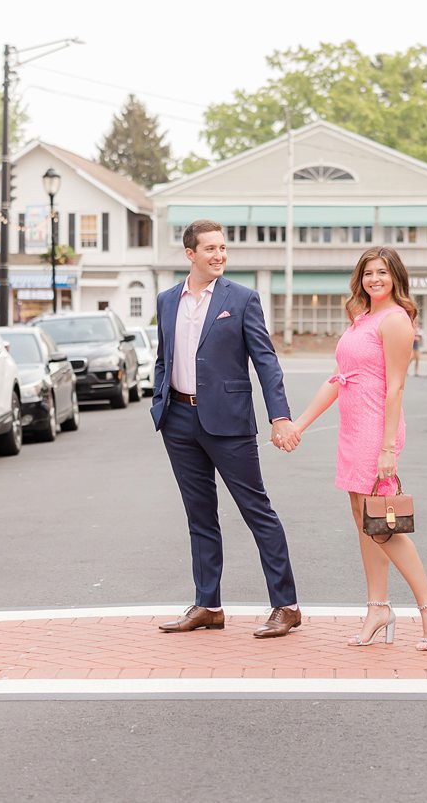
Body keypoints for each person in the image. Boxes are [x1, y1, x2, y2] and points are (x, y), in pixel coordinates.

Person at [289, 247, 427, 651]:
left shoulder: (396, 320)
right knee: (366, 523)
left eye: (382, 272)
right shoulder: (362, 318)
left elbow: (396, 386)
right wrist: (299, 424)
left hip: (375, 432)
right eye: (368, 273)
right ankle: (377, 607)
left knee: (382, 525)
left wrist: (387, 449)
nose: (375, 279)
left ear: (396, 276)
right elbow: (338, 378)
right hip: (351, 429)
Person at [150, 219, 303, 638]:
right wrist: (159, 403)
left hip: (229, 422)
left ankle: (286, 605)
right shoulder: (167, 300)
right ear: (190, 254)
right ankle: (208, 605)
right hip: (178, 421)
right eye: (210, 249)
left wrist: (280, 416)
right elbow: (165, 357)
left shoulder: (242, 299)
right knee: (199, 516)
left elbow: (266, 361)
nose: (219, 255)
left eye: (222, 248)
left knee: (257, 512)